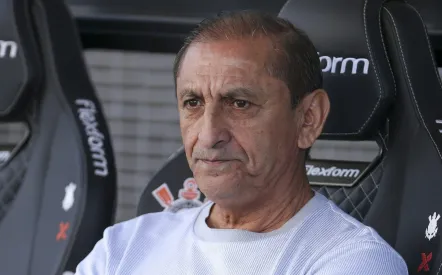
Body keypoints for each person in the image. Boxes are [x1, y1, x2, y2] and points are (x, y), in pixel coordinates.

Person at [75, 10, 408, 275]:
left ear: (308, 118)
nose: (208, 136)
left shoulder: (354, 262)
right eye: (193, 103)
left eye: (240, 104)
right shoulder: (122, 246)